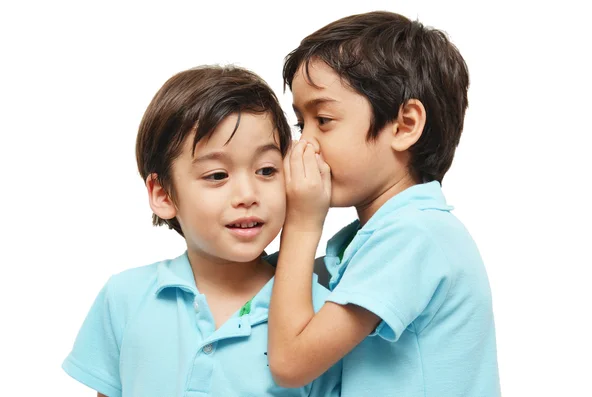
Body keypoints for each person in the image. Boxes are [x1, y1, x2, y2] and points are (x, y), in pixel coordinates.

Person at [62, 65, 341, 397]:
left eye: (266, 170)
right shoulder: (125, 297)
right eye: (217, 175)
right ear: (163, 194)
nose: (248, 195)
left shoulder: (319, 315)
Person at [268, 11, 500, 396]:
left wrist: (302, 223)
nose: (304, 144)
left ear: (405, 124)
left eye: (323, 119)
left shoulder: (414, 235)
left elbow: (291, 363)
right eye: (300, 124)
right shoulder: (381, 236)